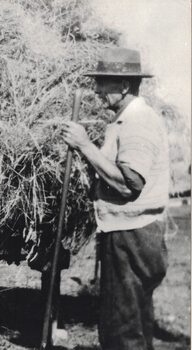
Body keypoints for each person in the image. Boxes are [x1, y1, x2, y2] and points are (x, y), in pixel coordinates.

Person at [61, 48, 169, 350]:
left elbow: (128, 185)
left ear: (124, 86)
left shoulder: (137, 123)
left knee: (122, 332)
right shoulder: (128, 120)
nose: (97, 90)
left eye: (103, 83)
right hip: (134, 233)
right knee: (133, 326)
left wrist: (84, 145)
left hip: (131, 237)